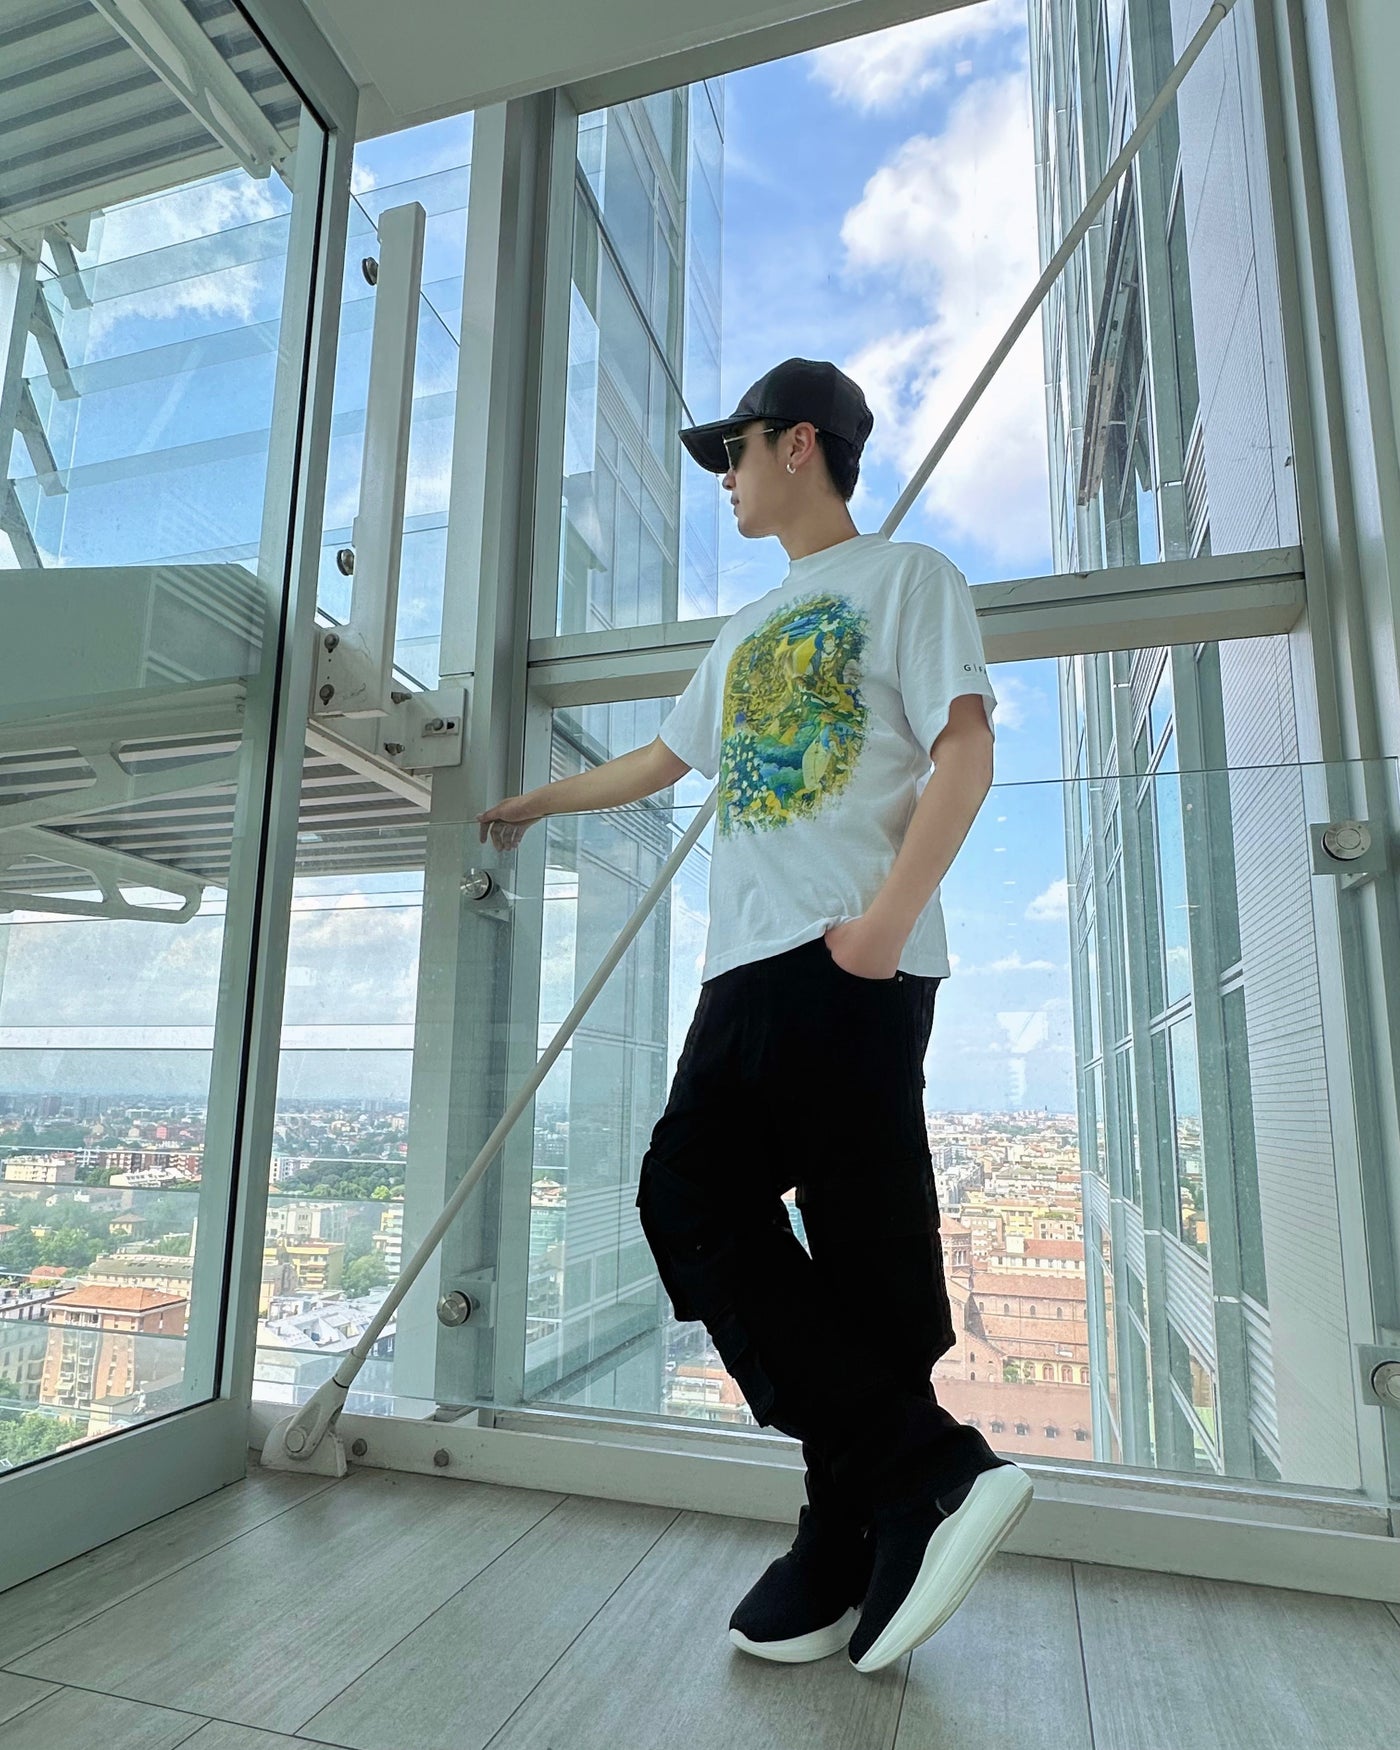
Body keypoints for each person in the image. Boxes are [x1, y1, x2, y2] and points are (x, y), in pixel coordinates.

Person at [476, 357, 1032, 1673]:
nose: (722, 478)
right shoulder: (745, 630)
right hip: (751, 969)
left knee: (722, 1200)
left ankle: (919, 1478)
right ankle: (857, 1530)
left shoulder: (908, 579)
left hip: (847, 957)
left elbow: (965, 746)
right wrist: (533, 803)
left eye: (733, 452)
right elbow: (660, 763)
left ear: (799, 444)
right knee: (812, 1245)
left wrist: (890, 919)